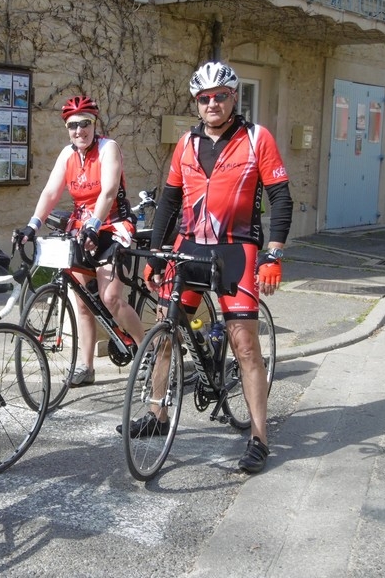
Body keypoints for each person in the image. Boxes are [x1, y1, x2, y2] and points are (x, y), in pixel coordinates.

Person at [120, 62, 293, 474]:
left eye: (219, 95)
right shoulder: (186, 144)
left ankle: (258, 437)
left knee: (245, 346)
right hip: (190, 247)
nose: (211, 103)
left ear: (234, 97)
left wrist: (274, 254)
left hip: (237, 250)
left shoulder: (256, 138)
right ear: (196, 104)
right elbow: (169, 200)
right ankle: (158, 414)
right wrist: (158, 253)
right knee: (165, 331)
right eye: (204, 98)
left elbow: (281, 198)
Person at [14, 95, 146, 386]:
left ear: (94, 123)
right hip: (81, 228)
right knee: (81, 300)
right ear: (67, 129)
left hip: (111, 227)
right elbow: (50, 193)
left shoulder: (107, 148)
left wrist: (94, 225)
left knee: (110, 297)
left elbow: (109, 191)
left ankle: (146, 351)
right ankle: (86, 367)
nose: (79, 131)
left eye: (85, 123)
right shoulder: (68, 155)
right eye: (73, 125)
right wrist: (31, 226)